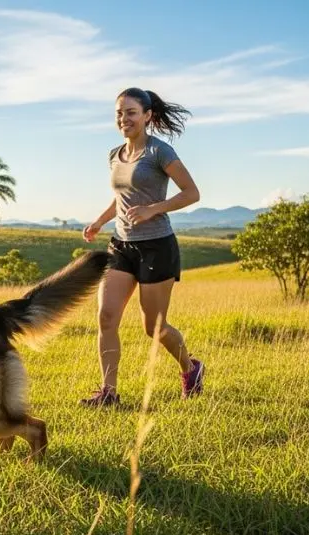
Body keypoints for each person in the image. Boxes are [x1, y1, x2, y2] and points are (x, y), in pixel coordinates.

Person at [80, 87, 205, 407]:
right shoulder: (114, 154)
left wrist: (154, 209)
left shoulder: (159, 152)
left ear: (147, 116)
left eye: (131, 112)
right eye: (119, 113)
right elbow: (121, 198)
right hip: (121, 246)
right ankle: (108, 392)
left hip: (156, 247)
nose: (124, 119)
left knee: (155, 327)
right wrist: (99, 222)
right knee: (107, 317)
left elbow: (192, 193)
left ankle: (191, 368)